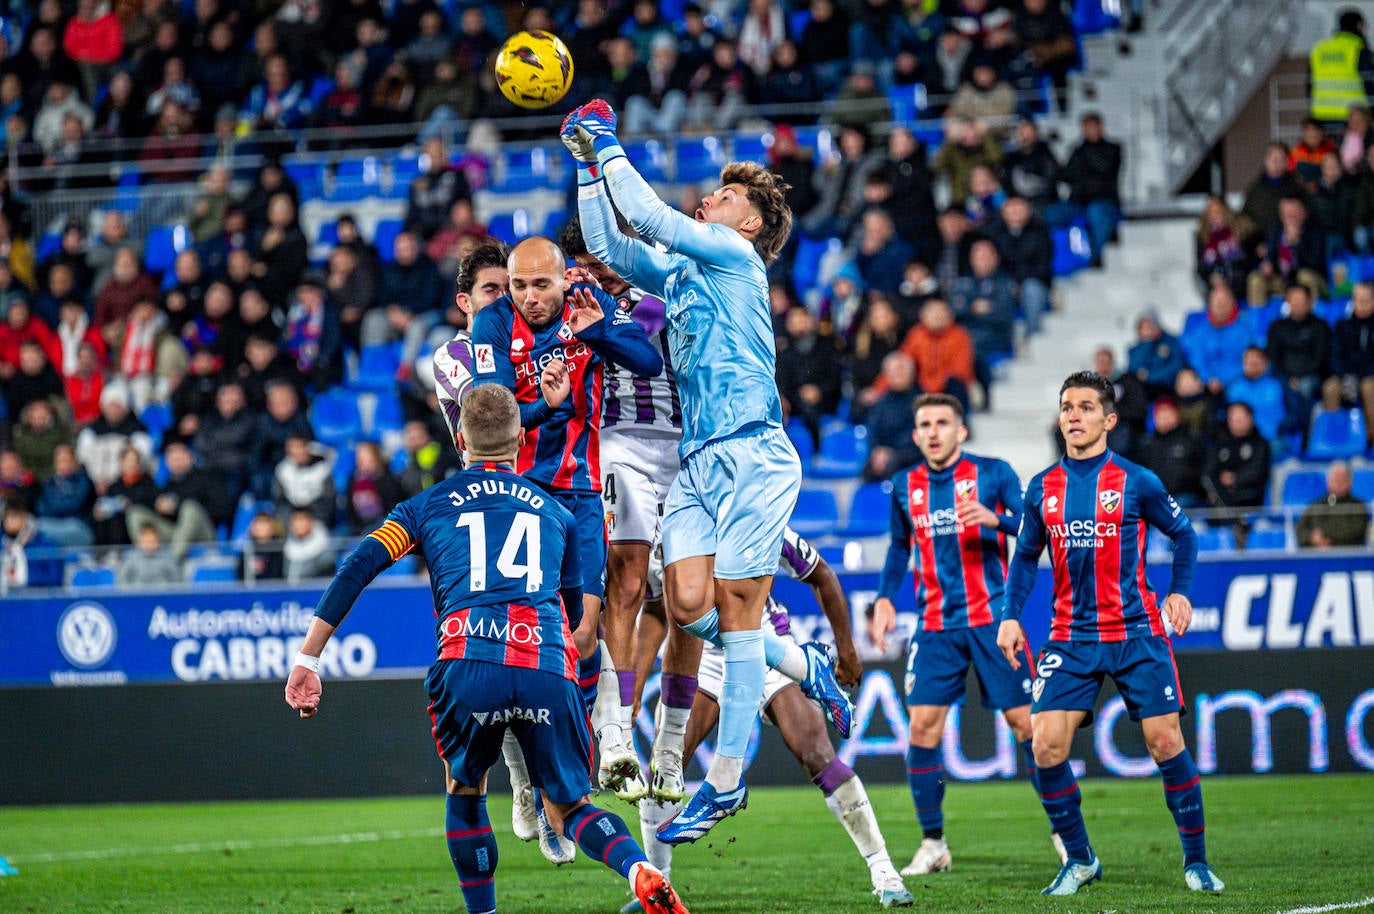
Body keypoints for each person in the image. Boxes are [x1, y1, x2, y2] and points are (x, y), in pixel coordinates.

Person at [283, 385, 690, 914]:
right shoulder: (556, 513)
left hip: (469, 659)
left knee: (466, 789)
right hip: (545, 661)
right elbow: (572, 618)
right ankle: (638, 869)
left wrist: (309, 658)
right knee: (572, 806)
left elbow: (357, 567)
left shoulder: (424, 506)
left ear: (459, 439)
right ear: (522, 440)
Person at [564, 98, 851, 842]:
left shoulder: (732, 258)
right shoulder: (686, 270)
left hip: (754, 451)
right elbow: (614, 243)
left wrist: (608, 141)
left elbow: (653, 220)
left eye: (725, 197)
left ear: (749, 223)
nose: (711, 198)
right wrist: (588, 171)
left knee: (734, 607)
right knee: (687, 607)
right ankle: (801, 660)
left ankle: (723, 780)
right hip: (696, 464)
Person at [996, 371, 1221, 896]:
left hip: (1137, 632)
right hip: (1070, 637)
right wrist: (1011, 615)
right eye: (1067, 407)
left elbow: (1184, 537)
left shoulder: (1138, 481)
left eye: (1085, 407)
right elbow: (1025, 557)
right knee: (1046, 745)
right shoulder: (1041, 488)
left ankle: (1197, 862)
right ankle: (1080, 860)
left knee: (1164, 741)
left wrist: (1179, 590)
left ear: (1108, 420)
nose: (1074, 416)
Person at [470, 235, 664, 805]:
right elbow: (498, 415)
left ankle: (560, 766)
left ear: (562, 279)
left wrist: (595, 330)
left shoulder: (588, 303)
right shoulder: (494, 325)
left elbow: (648, 360)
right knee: (522, 632)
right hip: (517, 491)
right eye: (519, 285)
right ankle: (527, 770)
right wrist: (546, 407)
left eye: (540, 284)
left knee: (582, 633)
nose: (529, 297)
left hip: (580, 490)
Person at [633, 530, 910, 911]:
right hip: (701, 657)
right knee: (664, 768)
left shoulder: (749, 516)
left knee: (817, 754)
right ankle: (659, 890)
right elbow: (652, 612)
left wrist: (847, 649)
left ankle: (884, 872)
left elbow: (822, 575)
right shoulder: (659, 533)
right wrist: (631, 690)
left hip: (764, 645)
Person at [867, 393, 1045, 876]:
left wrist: (998, 520)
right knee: (922, 729)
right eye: (924, 423)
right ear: (915, 433)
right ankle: (933, 843)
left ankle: (1065, 835)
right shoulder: (905, 485)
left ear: (961, 431)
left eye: (942, 422)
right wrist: (884, 597)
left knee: (1028, 728)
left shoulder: (993, 473)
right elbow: (899, 548)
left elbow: (1038, 527)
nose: (932, 431)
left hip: (992, 620)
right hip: (935, 625)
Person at [559, 214, 682, 803]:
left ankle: (669, 740)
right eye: (586, 261)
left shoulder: (652, 293)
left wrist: (594, 324)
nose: (597, 268)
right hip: (618, 443)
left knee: (688, 598)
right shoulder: (568, 306)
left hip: (682, 447)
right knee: (627, 582)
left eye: (602, 256)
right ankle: (619, 726)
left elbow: (645, 353)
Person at [431, 239, 511, 448]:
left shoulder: (530, 342)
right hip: (493, 478)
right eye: (491, 289)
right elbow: (489, 411)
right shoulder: (451, 354)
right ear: (465, 302)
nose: (504, 298)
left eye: (510, 288)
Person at [1309, 8, 1374, 126]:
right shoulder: (1358, 48)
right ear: (1359, 25)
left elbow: (1309, 82)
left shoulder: (1319, 48)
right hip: (1353, 115)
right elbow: (1369, 81)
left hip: (1322, 114)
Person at [1297, 461, 1370, 548]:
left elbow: (1356, 531)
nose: (1338, 483)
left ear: (1350, 482)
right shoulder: (1315, 505)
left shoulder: (1359, 506)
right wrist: (1312, 538)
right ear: (1328, 481)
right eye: (1335, 479)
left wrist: (1324, 537)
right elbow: (1300, 531)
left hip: (1350, 556)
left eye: (1342, 479)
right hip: (1320, 557)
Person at [116, 523, 183, 586]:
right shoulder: (130, 557)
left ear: (157, 540)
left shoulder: (168, 556)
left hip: (162, 595)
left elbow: (177, 581)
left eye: (152, 541)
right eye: (146, 541)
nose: (149, 544)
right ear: (140, 540)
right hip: (137, 596)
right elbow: (122, 582)